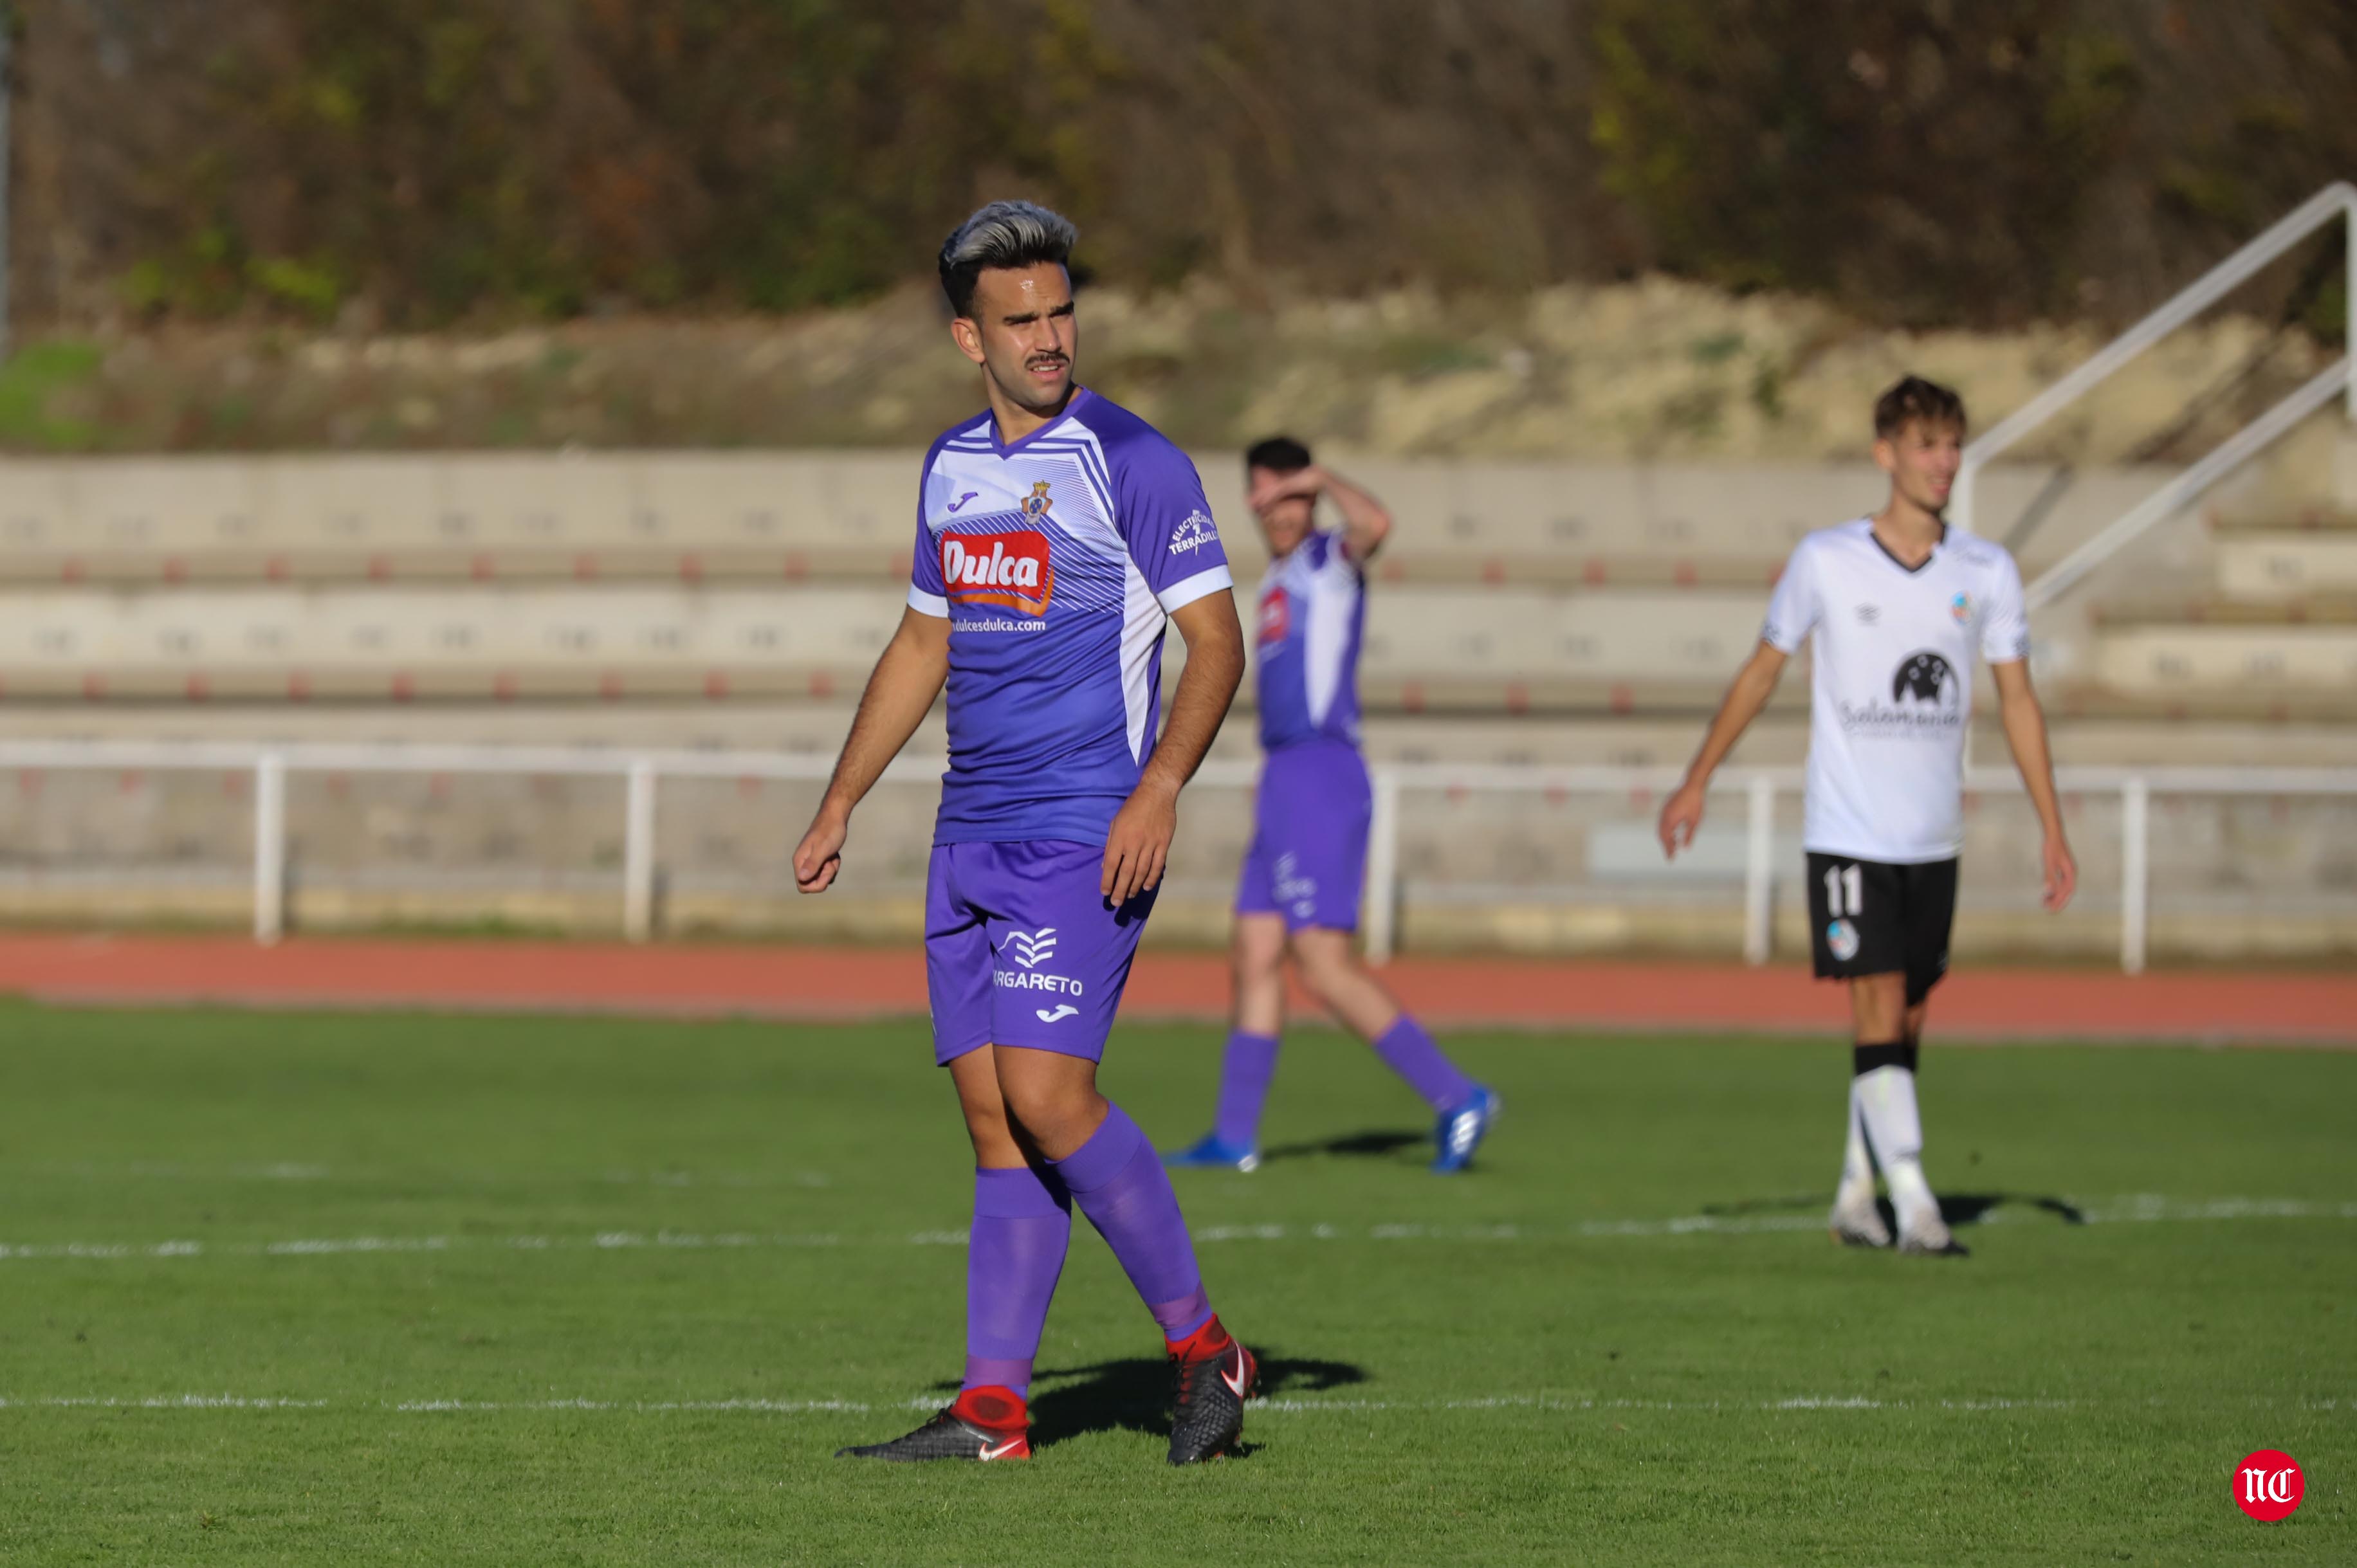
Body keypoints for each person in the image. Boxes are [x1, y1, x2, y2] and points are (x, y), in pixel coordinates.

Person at [794, 201, 1256, 1464]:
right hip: (969, 836)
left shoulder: (1133, 459)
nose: (1049, 338)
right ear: (967, 337)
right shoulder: (950, 468)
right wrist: (843, 796)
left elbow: (1213, 641)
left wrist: (1157, 786)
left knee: (1052, 1097)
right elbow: (922, 642)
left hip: (1082, 830)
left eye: (1060, 312)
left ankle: (1204, 1348)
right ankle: (995, 1408)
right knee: (995, 1119)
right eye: (1020, 320)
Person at [1656, 376, 2076, 1257]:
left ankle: (1856, 1190)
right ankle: (1918, 1201)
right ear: (1886, 452)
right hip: (1848, 832)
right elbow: (1762, 671)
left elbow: (2020, 702)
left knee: (1904, 1018)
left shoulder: (1985, 571)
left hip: (1934, 837)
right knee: (1877, 997)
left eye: (1954, 446)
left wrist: (2053, 823)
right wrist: (1698, 778)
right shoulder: (1827, 559)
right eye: (1927, 446)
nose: (1943, 464)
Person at [1164, 439, 1498, 1174]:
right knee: (1252, 951)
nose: (1272, 510)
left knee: (1320, 961)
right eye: (1261, 497)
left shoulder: (1325, 565)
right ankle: (1234, 1136)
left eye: (1286, 494)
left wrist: (1322, 477)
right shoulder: (1279, 579)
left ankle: (1457, 1095)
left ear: (1308, 495)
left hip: (1320, 771)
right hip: (1284, 774)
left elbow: (1375, 524)